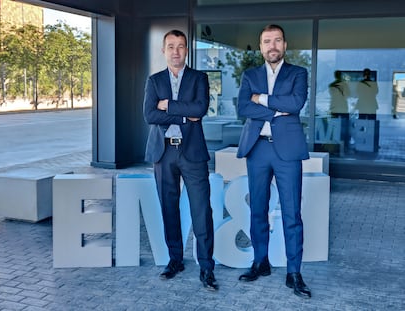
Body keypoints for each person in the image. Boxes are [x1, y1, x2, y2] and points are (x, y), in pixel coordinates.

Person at [236, 24, 311, 299]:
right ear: (261, 47)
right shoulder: (250, 75)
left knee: (292, 213)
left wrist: (263, 100)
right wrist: (277, 110)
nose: (272, 46)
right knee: (257, 209)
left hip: (287, 151)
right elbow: (243, 107)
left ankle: (294, 273)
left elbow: (296, 103)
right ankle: (260, 262)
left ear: (285, 45)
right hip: (257, 149)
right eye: (267, 41)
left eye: (277, 40)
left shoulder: (298, 73)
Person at [143, 29, 218, 291]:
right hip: (163, 153)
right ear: (163, 51)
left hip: (193, 153)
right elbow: (150, 115)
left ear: (187, 50)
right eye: (171, 46)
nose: (176, 51)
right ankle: (175, 260)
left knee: (201, 210)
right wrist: (184, 116)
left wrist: (169, 106)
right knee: (169, 208)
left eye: (181, 46)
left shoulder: (199, 78)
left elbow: (200, 109)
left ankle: (207, 267)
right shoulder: (154, 81)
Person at [329, 70, 351, 150]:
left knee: (334, 127)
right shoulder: (345, 85)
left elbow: (331, 94)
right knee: (345, 127)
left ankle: (335, 145)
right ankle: (344, 144)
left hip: (334, 107)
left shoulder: (332, 85)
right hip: (343, 107)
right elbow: (348, 95)